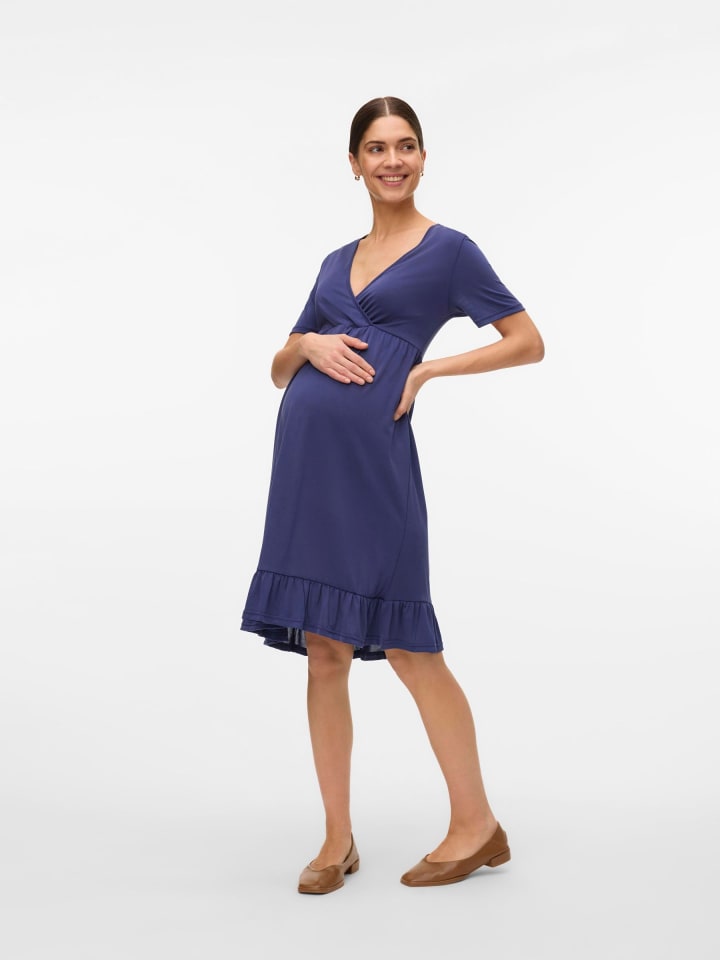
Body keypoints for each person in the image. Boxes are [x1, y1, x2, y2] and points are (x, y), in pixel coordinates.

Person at [241, 96, 544, 894]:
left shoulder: (450, 252)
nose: (392, 160)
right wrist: (307, 343)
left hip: (376, 466)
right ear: (354, 164)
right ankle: (336, 839)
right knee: (324, 651)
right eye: (376, 148)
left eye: (405, 145)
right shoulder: (333, 262)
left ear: (423, 157)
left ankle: (477, 825)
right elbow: (278, 368)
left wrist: (430, 368)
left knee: (412, 647)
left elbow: (527, 341)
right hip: (306, 473)